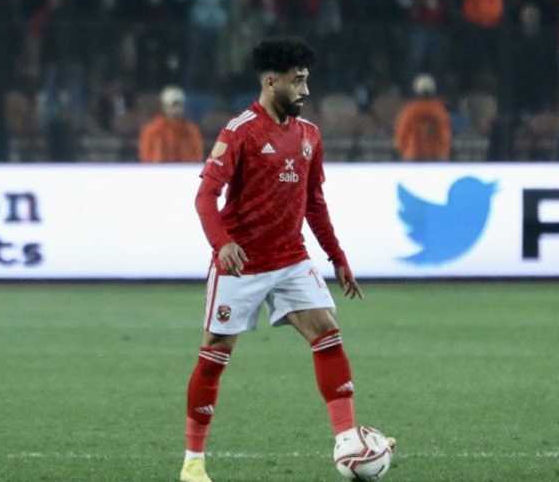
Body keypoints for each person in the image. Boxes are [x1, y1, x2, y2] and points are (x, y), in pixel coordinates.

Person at [183, 38, 391, 482]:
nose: (305, 90)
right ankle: (193, 463)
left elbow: (314, 202)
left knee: (327, 331)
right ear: (271, 81)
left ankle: (347, 440)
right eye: (298, 81)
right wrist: (222, 244)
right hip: (241, 263)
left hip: (291, 259)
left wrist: (337, 256)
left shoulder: (309, 135)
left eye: (307, 80)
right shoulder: (240, 132)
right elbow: (204, 197)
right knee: (215, 354)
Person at [393, 73, 452, 161]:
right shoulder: (439, 110)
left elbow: (402, 132)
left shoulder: (409, 110)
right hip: (435, 155)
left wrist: (399, 149)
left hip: (413, 154)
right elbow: (445, 134)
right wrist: (444, 152)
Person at [138, 86, 204, 162]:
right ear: (164, 106)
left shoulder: (191, 130)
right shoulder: (151, 130)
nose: (177, 109)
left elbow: (198, 156)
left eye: (180, 105)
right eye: (174, 105)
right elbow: (145, 157)